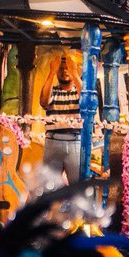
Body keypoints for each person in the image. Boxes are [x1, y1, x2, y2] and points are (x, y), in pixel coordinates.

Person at [40, 51, 82, 182]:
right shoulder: (53, 91)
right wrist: (51, 72)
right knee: (48, 187)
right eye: (61, 68)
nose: (65, 71)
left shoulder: (79, 91)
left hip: (75, 140)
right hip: (53, 141)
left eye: (67, 68)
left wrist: (75, 73)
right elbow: (43, 101)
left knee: (78, 188)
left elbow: (87, 102)